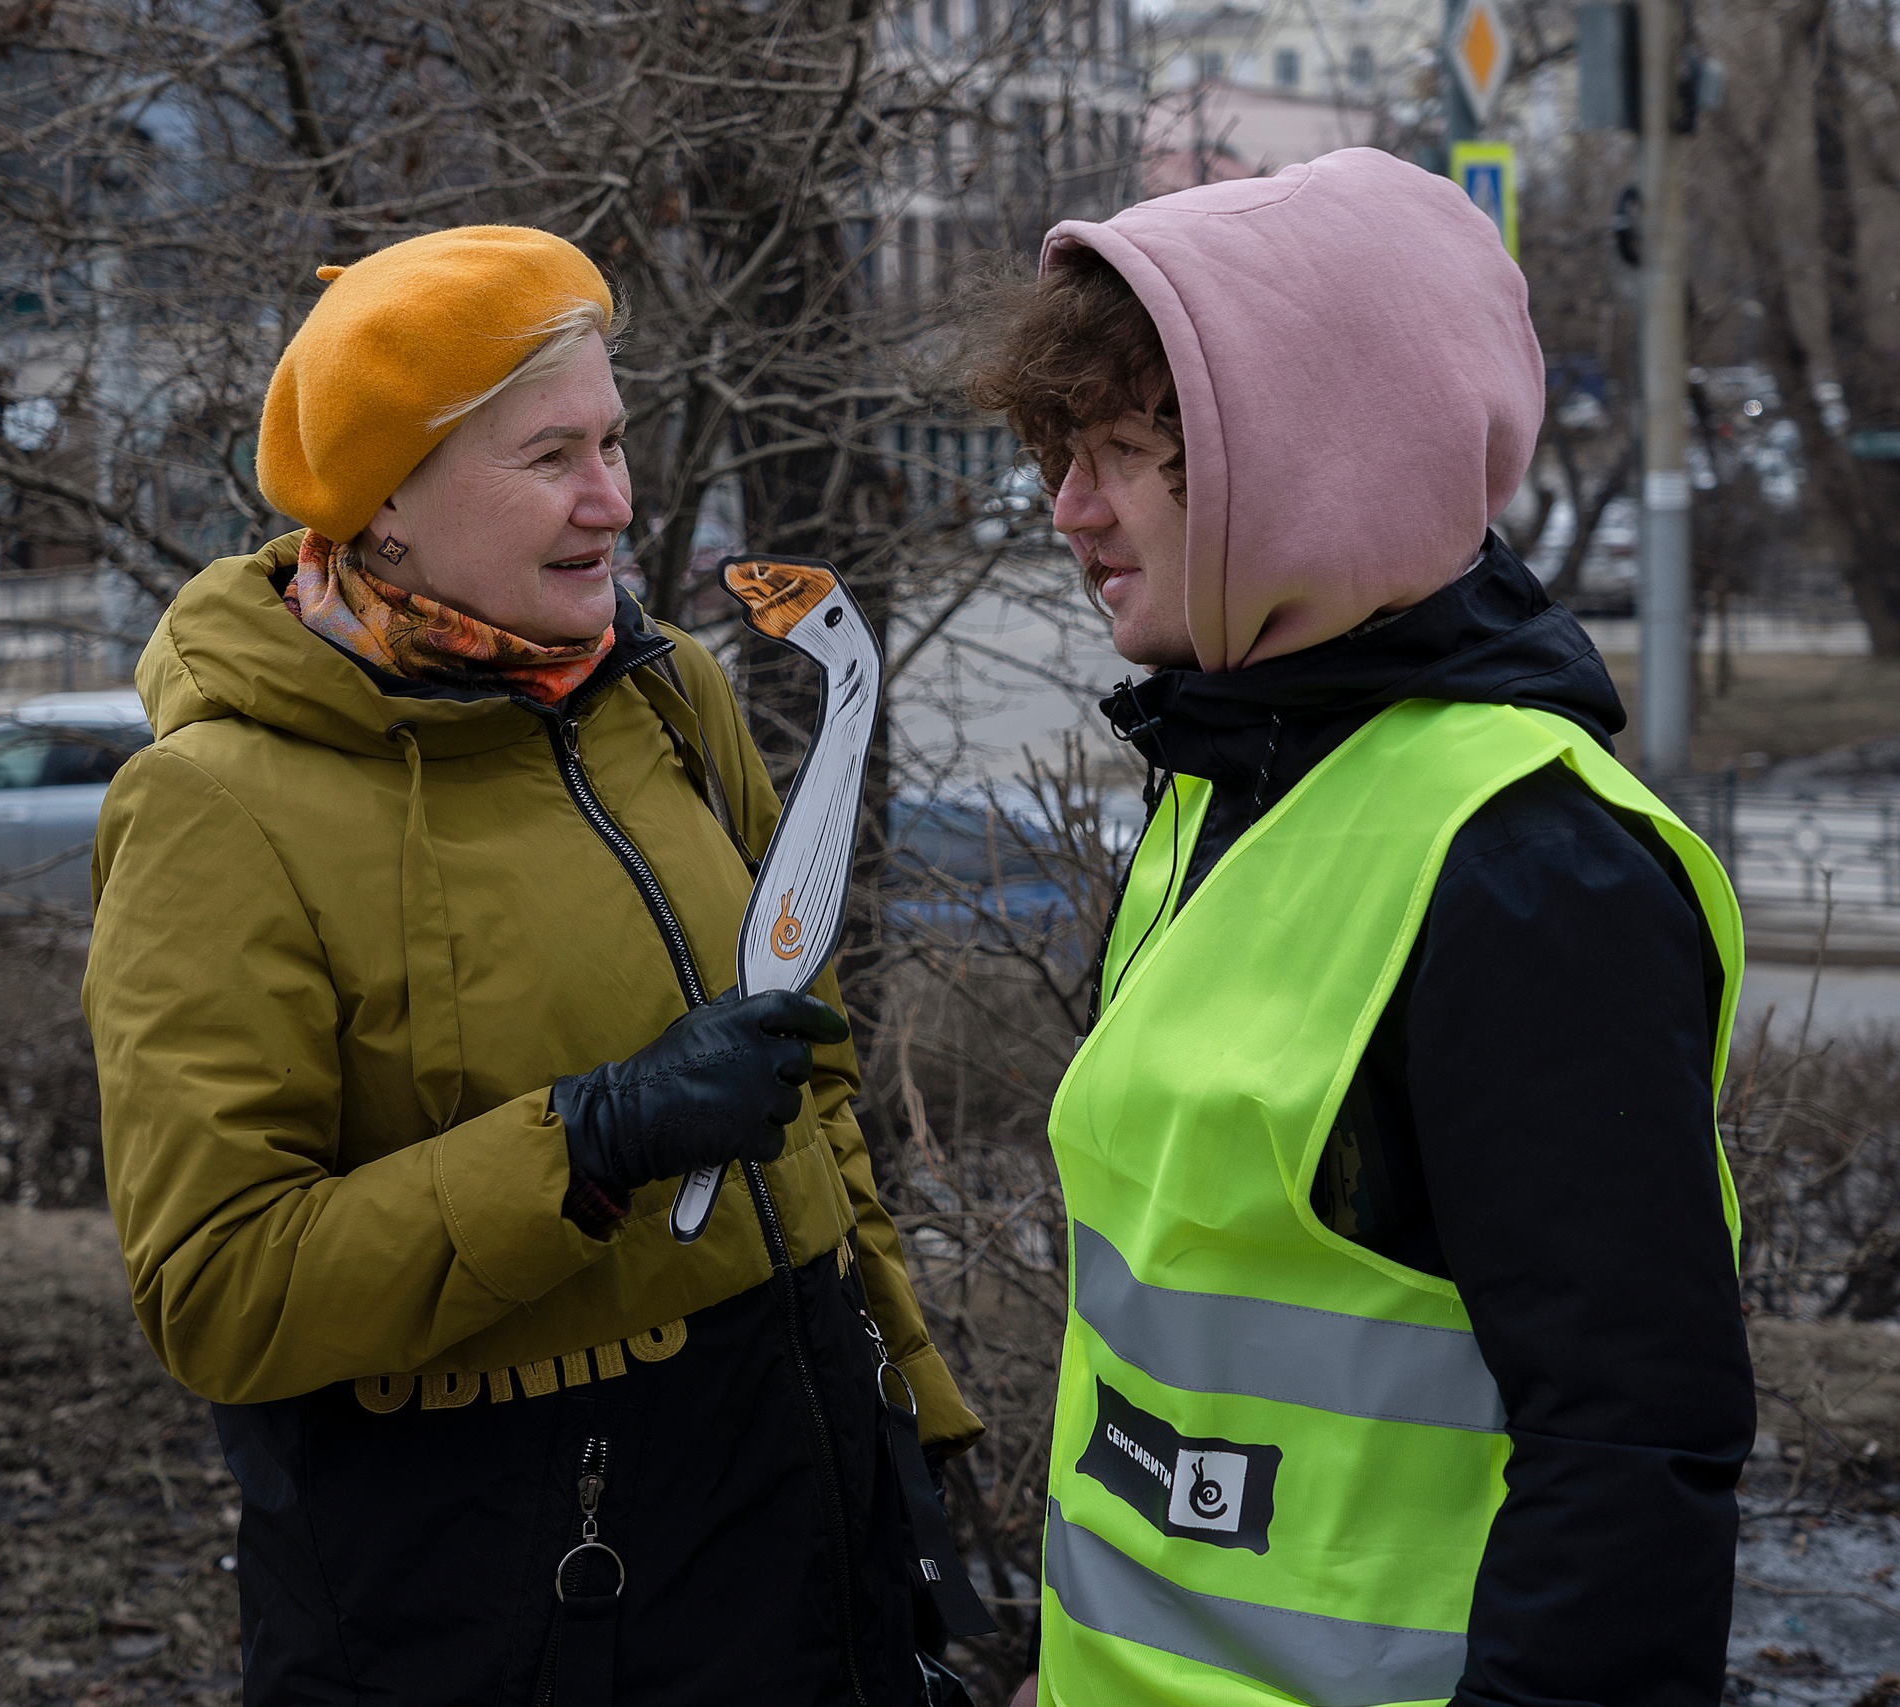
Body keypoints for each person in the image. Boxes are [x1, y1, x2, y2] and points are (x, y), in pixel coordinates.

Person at [84, 225, 982, 1706]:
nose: (613, 501)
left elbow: (807, 1091)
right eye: (548, 455)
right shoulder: (217, 807)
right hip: (511, 1607)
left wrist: (915, 1425)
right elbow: (219, 1290)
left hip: (807, 1522)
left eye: (617, 442)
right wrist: (589, 1141)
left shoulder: (669, 697)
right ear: (383, 510)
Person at [969, 149, 1754, 1707]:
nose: (1069, 510)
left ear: (1318, 459)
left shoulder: (1532, 866)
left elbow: (1630, 1453)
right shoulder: (1231, 774)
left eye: (1123, 449)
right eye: (1064, 450)